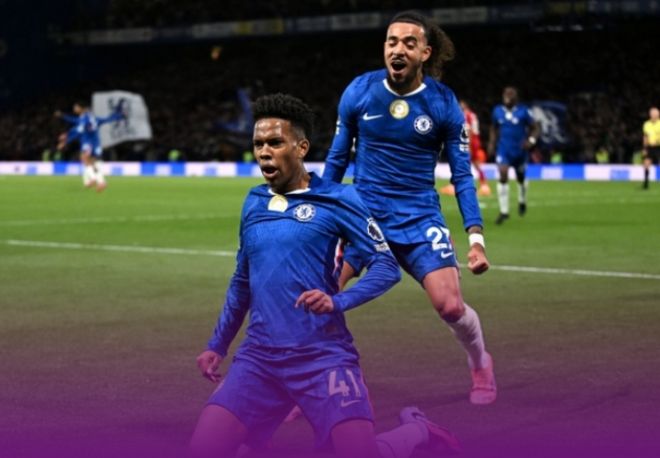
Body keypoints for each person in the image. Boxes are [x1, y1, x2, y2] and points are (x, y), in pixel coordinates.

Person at [190, 93, 460, 458]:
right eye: (258, 144)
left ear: (301, 147)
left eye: (275, 142)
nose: (264, 152)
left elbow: (385, 266)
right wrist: (217, 345)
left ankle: (416, 431)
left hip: (322, 357)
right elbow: (242, 281)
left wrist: (337, 301)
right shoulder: (253, 202)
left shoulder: (339, 199)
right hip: (260, 358)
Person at [322, 10, 496, 405]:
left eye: (408, 43)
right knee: (321, 294)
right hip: (363, 216)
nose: (397, 49)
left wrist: (476, 238)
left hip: (419, 217)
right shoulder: (360, 91)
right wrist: (324, 220)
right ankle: (310, 386)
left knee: (450, 306)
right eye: (391, 42)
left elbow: (462, 176)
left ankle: (480, 361)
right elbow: (336, 161)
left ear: (424, 53)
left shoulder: (442, 102)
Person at [487, 86, 540, 224]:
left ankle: (522, 199)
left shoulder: (523, 111)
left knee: (520, 177)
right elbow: (493, 128)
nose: (508, 96)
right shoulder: (497, 111)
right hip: (503, 150)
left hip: (520, 150)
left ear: (516, 98)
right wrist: (492, 143)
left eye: (511, 95)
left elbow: (535, 128)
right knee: (503, 174)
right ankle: (504, 211)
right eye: (506, 94)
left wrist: (531, 140)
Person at [54, 100, 125, 192]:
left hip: (87, 144)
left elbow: (78, 131)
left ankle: (93, 178)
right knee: (93, 163)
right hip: (96, 144)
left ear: (81, 108)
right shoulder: (93, 118)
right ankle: (101, 182)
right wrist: (119, 116)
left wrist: (65, 141)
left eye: (76, 107)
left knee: (84, 159)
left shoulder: (84, 119)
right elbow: (107, 119)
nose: (74, 108)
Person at [440, 99, 491, 197]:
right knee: (475, 163)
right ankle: (484, 185)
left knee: (460, 162)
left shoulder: (466, 115)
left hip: (470, 141)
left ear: (465, 105)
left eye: (461, 105)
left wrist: (468, 144)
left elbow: (468, 130)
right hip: (475, 140)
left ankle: (455, 185)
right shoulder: (472, 114)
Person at [642, 106, 660, 189]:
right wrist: (644, 148)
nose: (654, 115)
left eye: (655, 113)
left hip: (659, 146)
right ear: (650, 114)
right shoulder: (646, 124)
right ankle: (646, 183)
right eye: (652, 113)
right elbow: (645, 137)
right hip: (650, 147)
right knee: (646, 164)